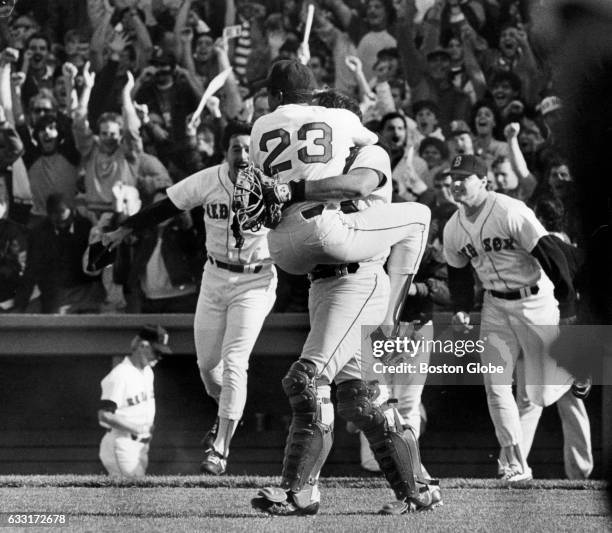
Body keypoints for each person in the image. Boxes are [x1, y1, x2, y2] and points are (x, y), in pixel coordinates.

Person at [250, 87, 439, 516]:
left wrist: (291, 189)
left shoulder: (367, 154)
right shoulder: (315, 160)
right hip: (325, 282)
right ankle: (418, 489)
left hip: (362, 278)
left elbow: (359, 186)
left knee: (306, 379)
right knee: (362, 398)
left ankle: (299, 491)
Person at [102, 121, 277, 476]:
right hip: (214, 276)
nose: (242, 156)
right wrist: (125, 228)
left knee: (234, 362)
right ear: (225, 152)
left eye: (247, 149)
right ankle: (228, 413)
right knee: (206, 366)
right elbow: (167, 206)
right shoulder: (210, 178)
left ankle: (220, 448)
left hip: (255, 280)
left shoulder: (272, 183)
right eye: (235, 149)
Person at [248, 60, 431, 335]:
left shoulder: (261, 125)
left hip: (294, 250)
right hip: (331, 245)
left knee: (343, 371)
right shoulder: (345, 127)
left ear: (276, 95)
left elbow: (261, 180)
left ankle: (323, 364)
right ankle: (389, 318)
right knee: (419, 216)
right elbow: (365, 150)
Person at [443, 154, 591, 481]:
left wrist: (567, 306)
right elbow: (458, 274)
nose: (455, 183)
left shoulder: (510, 210)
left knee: (537, 395)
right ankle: (514, 464)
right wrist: (461, 308)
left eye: (464, 177)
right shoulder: (453, 227)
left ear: (484, 181)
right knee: (496, 385)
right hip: (495, 305)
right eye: (452, 177)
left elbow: (551, 253)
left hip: (533, 299)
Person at [98, 324, 172, 478]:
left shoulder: (147, 372)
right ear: (143, 346)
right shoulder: (120, 375)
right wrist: (137, 428)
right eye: (156, 352)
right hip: (121, 442)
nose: (159, 357)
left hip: (140, 446)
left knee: (129, 496)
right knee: (133, 493)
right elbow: (105, 415)